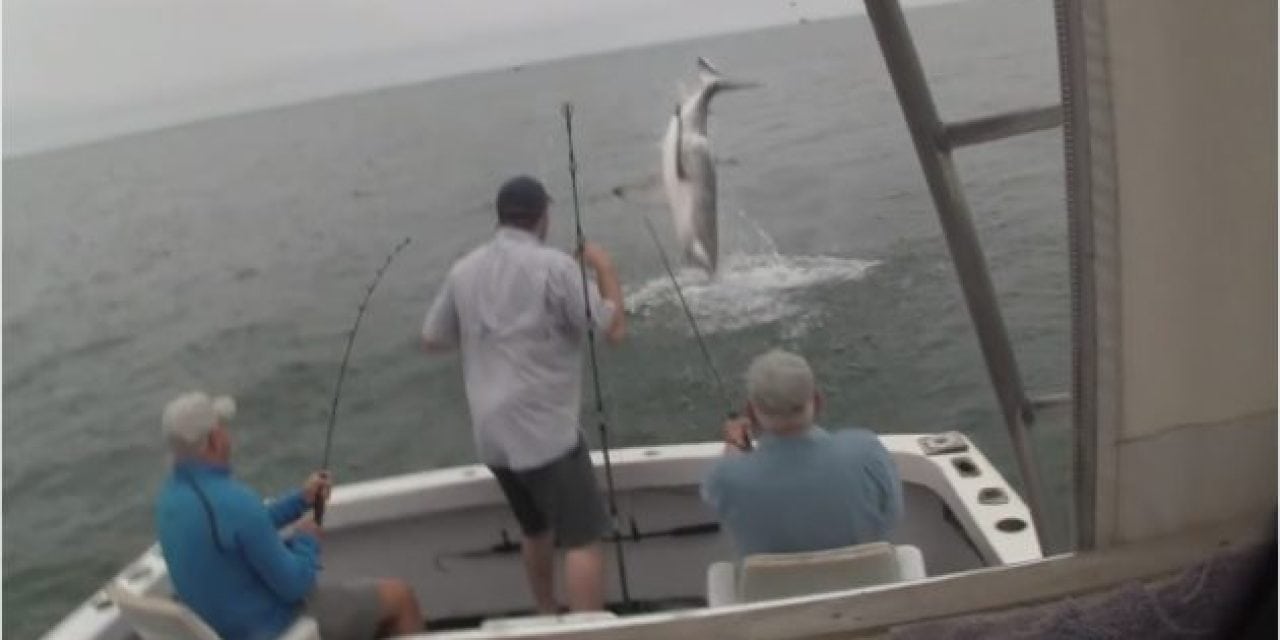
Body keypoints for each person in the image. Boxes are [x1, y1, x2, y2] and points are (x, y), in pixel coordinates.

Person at [420, 175, 625, 613]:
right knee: (582, 540)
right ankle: (588, 629)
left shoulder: (463, 269)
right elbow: (609, 326)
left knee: (535, 530)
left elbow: (433, 339)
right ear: (542, 217)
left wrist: (488, 332)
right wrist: (603, 269)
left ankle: (546, 611)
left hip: (493, 438)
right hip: (545, 434)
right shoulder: (555, 266)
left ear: (501, 216)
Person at [155, 391, 424, 640]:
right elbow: (296, 585)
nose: (228, 434)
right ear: (214, 440)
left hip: (225, 629)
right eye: (223, 427)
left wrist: (300, 500)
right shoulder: (235, 501)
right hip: (278, 627)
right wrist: (307, 540)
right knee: (401, 597)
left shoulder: (169, 501)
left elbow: (244, 529)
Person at [701, 349, 904, 556]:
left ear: (751, 412)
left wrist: (735, 444)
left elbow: (718, 503)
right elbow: (892, 515)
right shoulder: (865, 450)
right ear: (817, 401)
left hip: (776, 588)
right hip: (867, 582)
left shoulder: (725, 477)